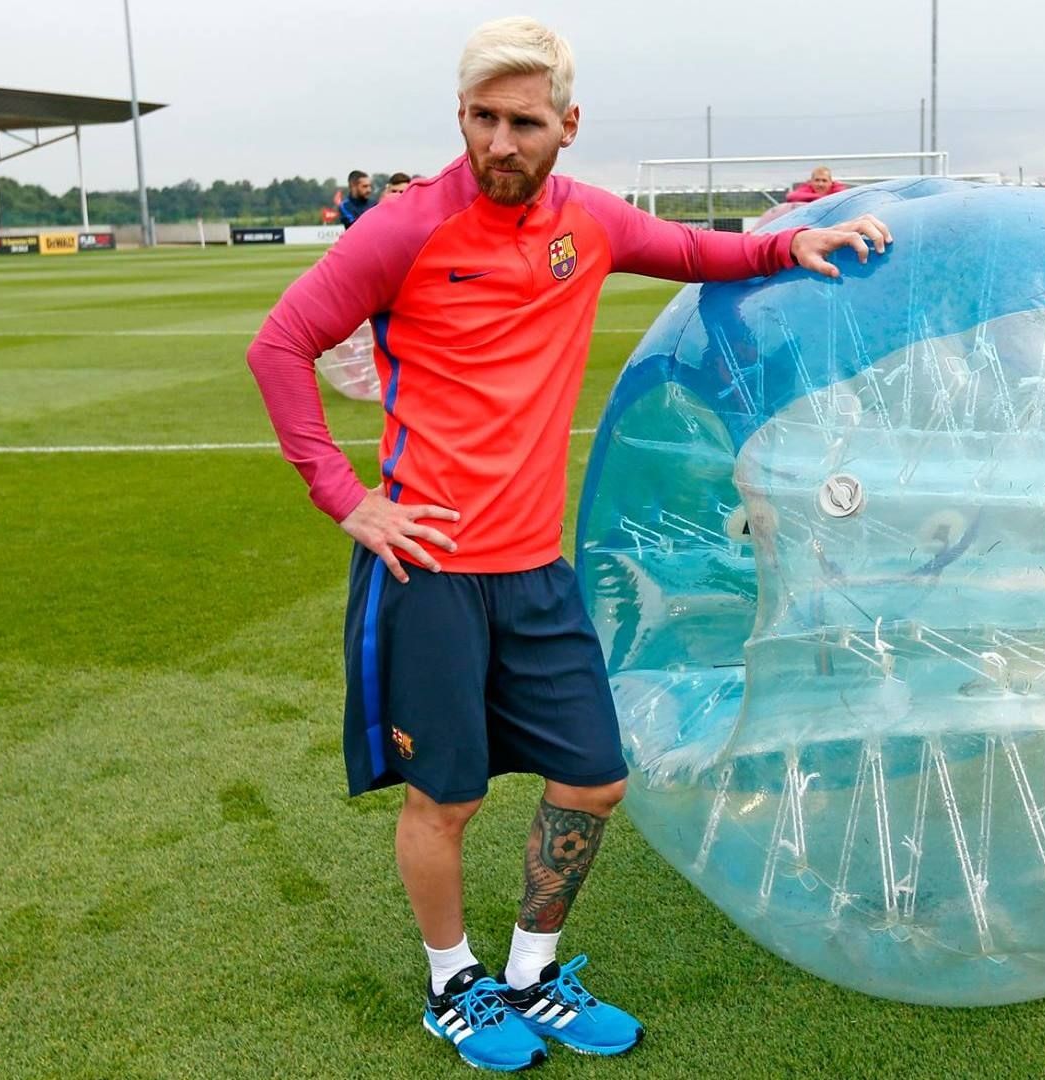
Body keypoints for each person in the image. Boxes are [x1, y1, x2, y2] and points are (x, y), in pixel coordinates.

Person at [245, 17, 892, 1071]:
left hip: (534, 574)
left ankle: (531, 977)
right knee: (444, 797)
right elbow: (280, 343)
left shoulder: (586, 225)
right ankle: (455, 985)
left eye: (525, 121)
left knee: (593, 775)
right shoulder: (401, 230)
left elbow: (695, 251)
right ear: (461, 117)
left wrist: (789, 244)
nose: (502, 142)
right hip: (430, 575)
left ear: (567, 125)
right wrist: (346, 496)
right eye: (483, 119)